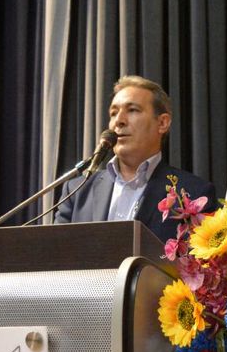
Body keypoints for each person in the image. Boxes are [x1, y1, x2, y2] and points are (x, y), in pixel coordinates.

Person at [54, 75, 218, 242]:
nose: (119, 121)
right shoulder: (77, 192)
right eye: (113, 113)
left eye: (132, 110)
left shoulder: (195, 193)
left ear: (162, 123)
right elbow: (56, 252)